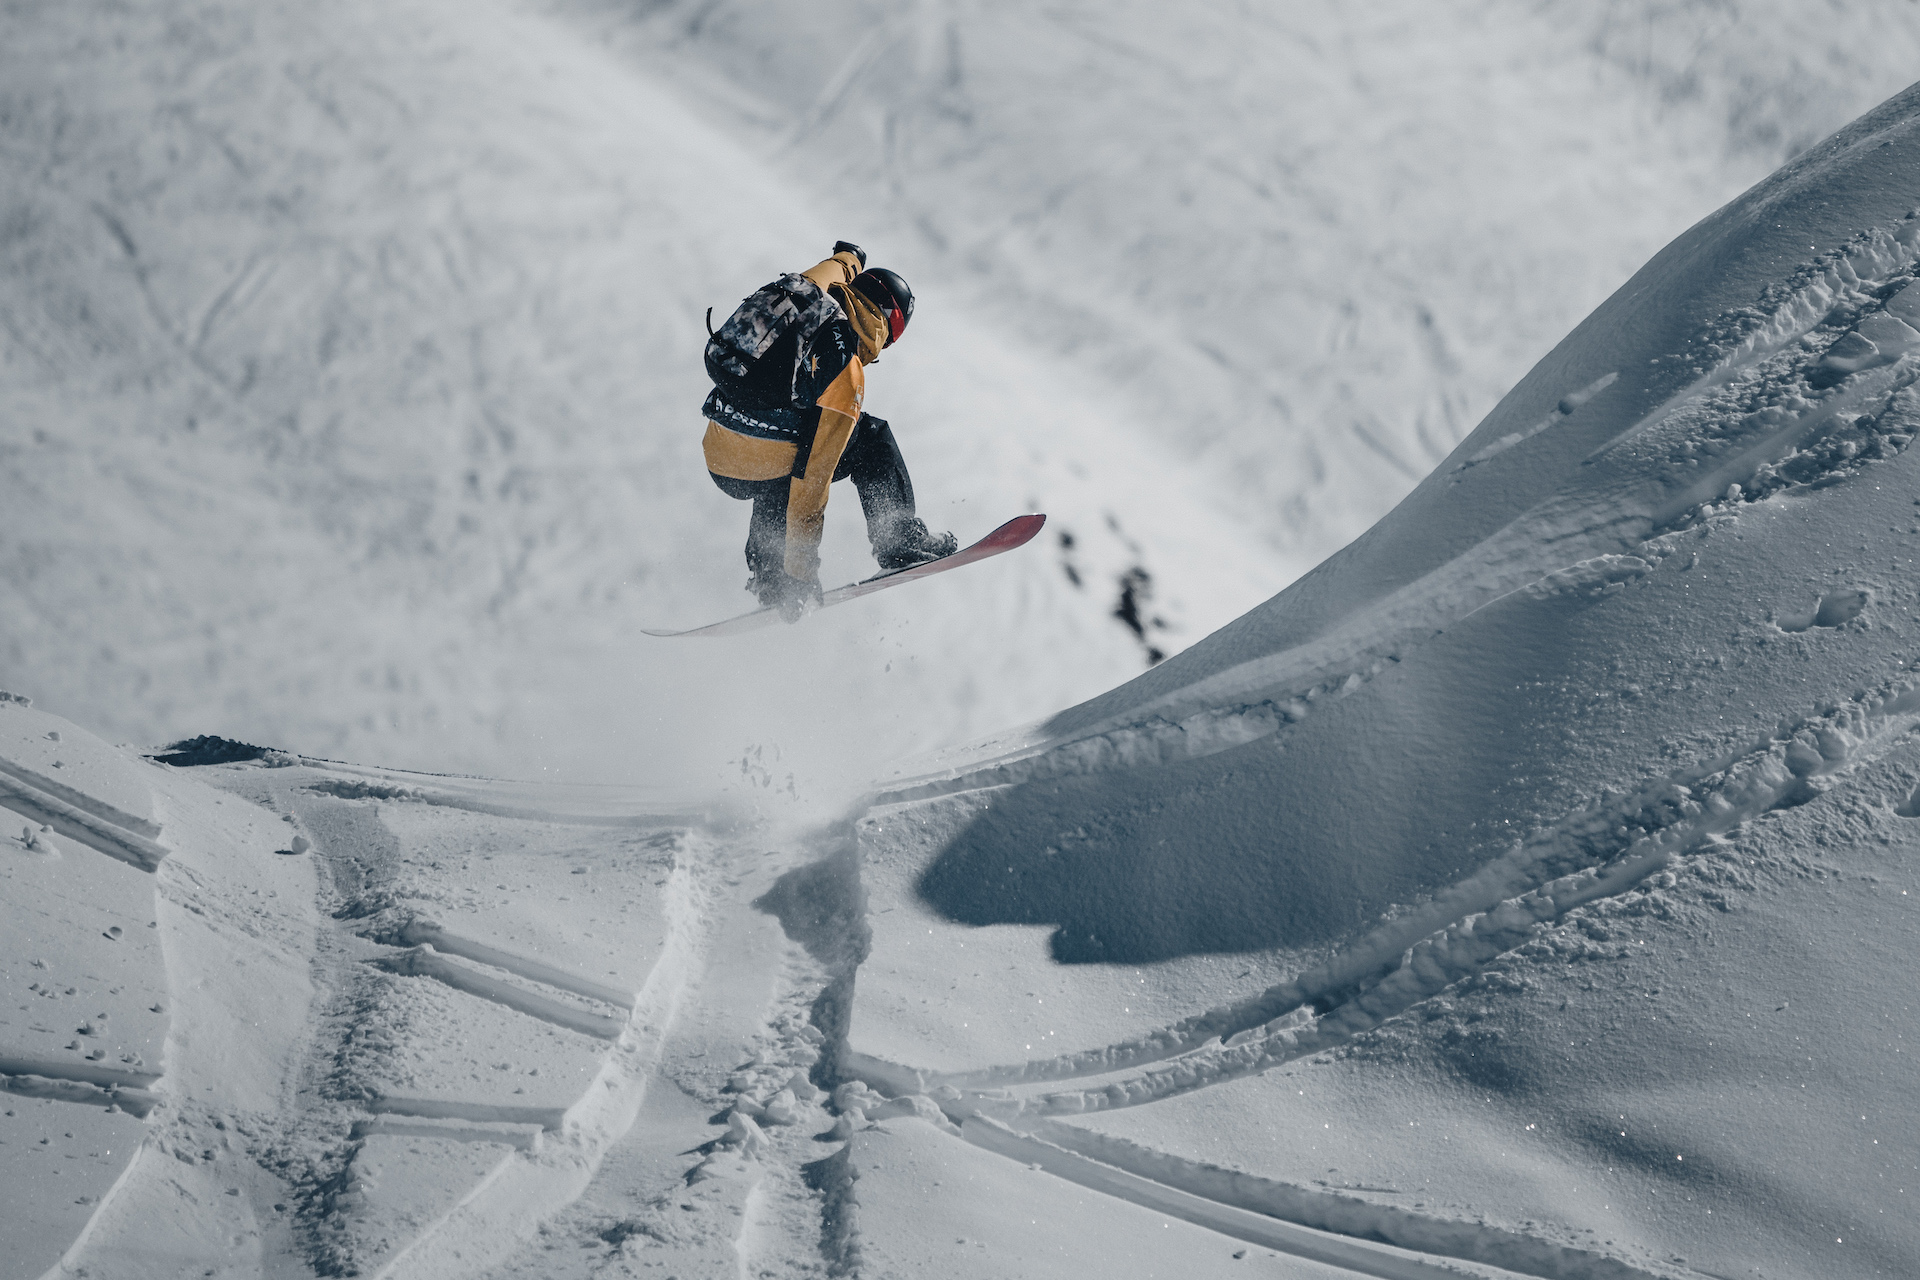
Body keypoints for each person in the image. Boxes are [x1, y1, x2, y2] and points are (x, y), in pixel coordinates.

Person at [701, 241, 956, 619]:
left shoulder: (811, 290)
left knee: (785, 450)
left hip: (720, 458)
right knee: (869, 438)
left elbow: (837, 266)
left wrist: (851, 256)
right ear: (889, 326)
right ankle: (897, 540)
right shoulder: (845, 371)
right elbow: (813, 480)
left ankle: (770, 576)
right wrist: (803, 572)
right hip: (763, 459)